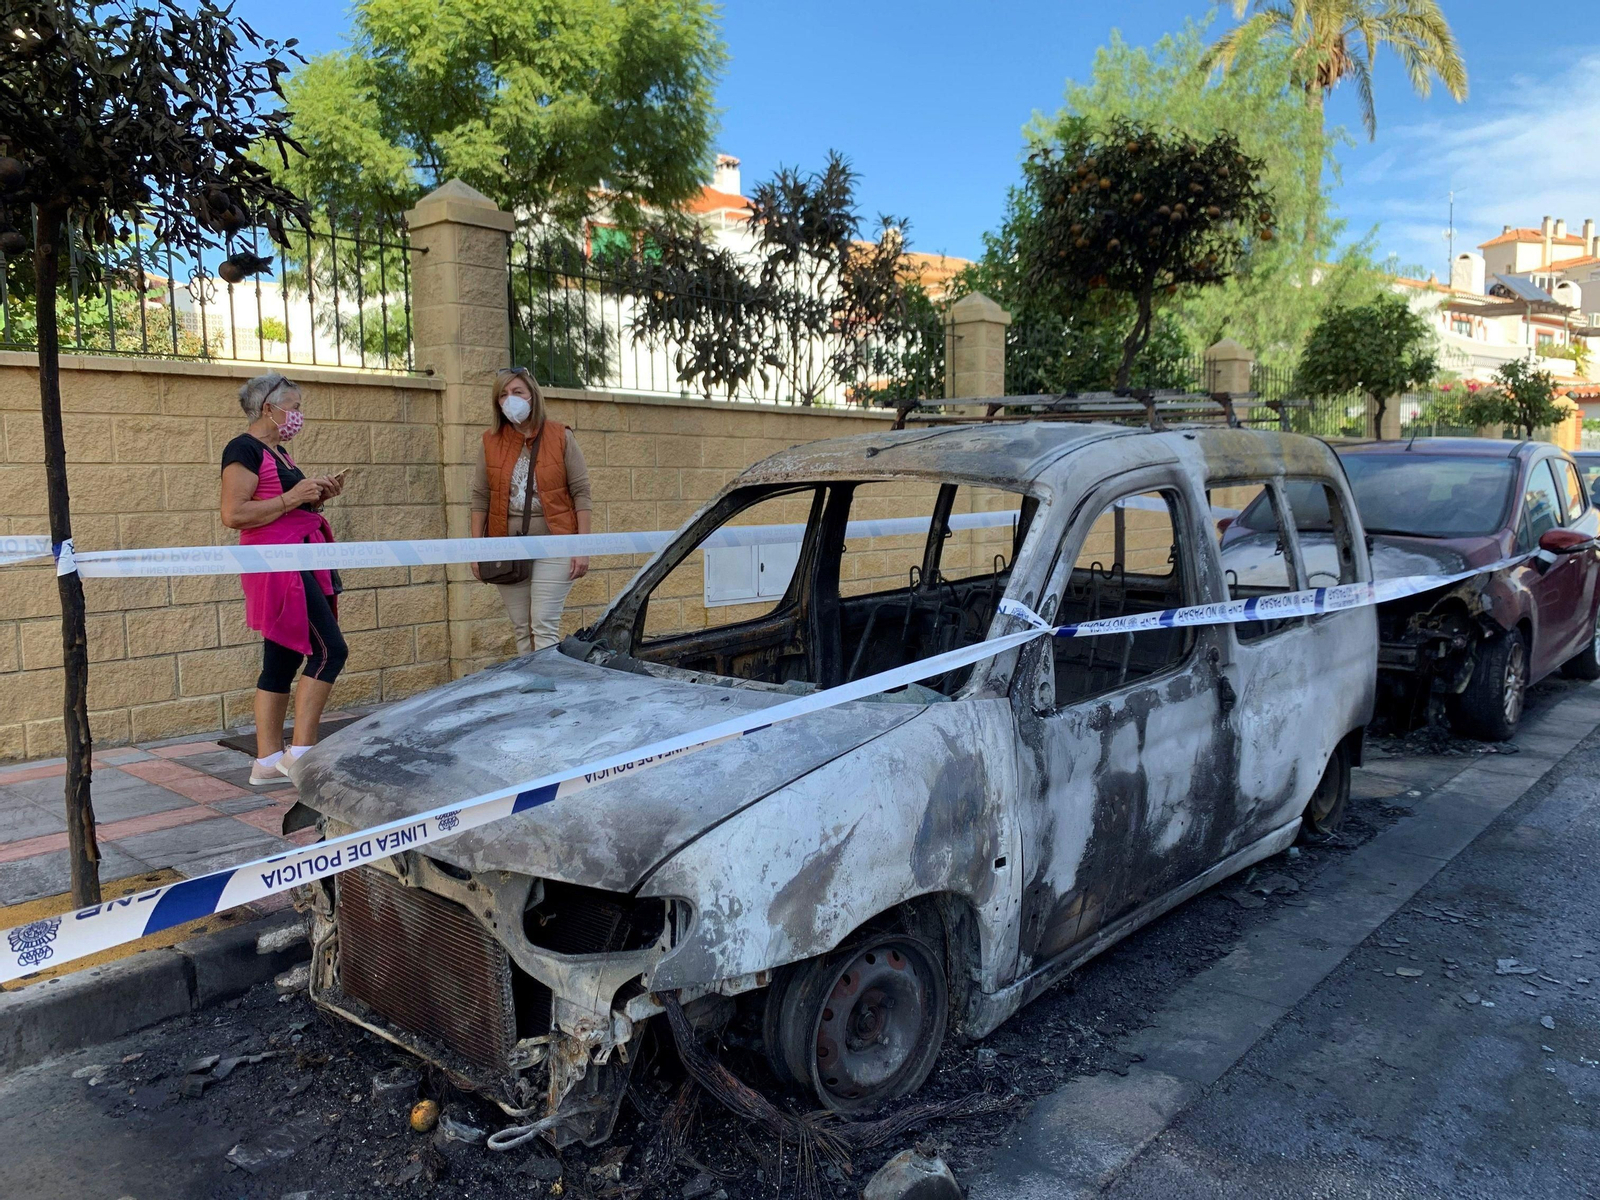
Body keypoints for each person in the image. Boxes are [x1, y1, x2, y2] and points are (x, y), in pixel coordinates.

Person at [219, 373, 349, 785]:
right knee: (331, 651)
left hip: (294, 558)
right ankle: (303, 753)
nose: (298, 415)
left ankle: (266, 759)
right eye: (293, 407)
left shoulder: (281, 454)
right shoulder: (243, 449)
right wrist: (295, 497)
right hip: (278, 567)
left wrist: (317, 495)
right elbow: (234, 514)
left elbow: (282, 507)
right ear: (267, 408)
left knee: (283, 658)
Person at [470, 367, 592, 653]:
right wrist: (474, 549)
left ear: (532, 397)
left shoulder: (560, 436)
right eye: (503, 395)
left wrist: (583, 546)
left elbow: (581, 493)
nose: (509, 399)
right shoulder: (490, 441)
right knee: (521, 628)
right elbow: (479, 497)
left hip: (557, 541)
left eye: (517, 392)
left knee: (543, 623)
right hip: (506, 546)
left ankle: (547, 691)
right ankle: (531, 690)